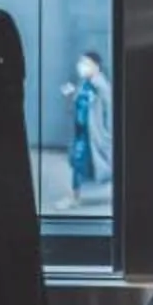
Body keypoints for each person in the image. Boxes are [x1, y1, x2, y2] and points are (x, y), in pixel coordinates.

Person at [64, 50, 114, 208]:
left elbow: (109, 110)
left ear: (96, 66)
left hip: (96, 134)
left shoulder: (101, 86)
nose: (82, 67)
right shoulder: (83, 84)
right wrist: (71, 96)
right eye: (81, 63)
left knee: (104, 164)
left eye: (86, 64)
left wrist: (107, 133)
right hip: (82, 131)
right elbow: (76, 106)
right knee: (78, 163)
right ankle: (74, 195)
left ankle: (76, 196)